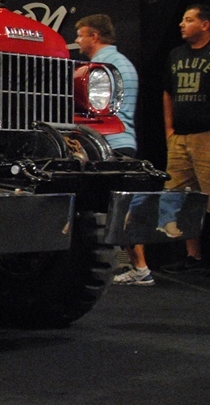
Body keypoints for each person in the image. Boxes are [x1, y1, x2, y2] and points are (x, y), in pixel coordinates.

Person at [161, 5, 210, 277]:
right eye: (182, 19)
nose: (182, 24)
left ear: (205, 25)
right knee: (182, 197)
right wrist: (169, 129)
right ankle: (192, 255)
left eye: (189, 20)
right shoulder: (176, 54)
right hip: (181, 138)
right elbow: (168, 93)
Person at [74, 15, 147, 284]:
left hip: (111, 144)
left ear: (95, 36)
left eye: (81, 35)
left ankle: (140, 268)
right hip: (120, 142)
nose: (77, 40)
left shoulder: (105, 67)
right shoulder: (119, 63)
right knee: (119, 208)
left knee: (117, 210)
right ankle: (138, 268)